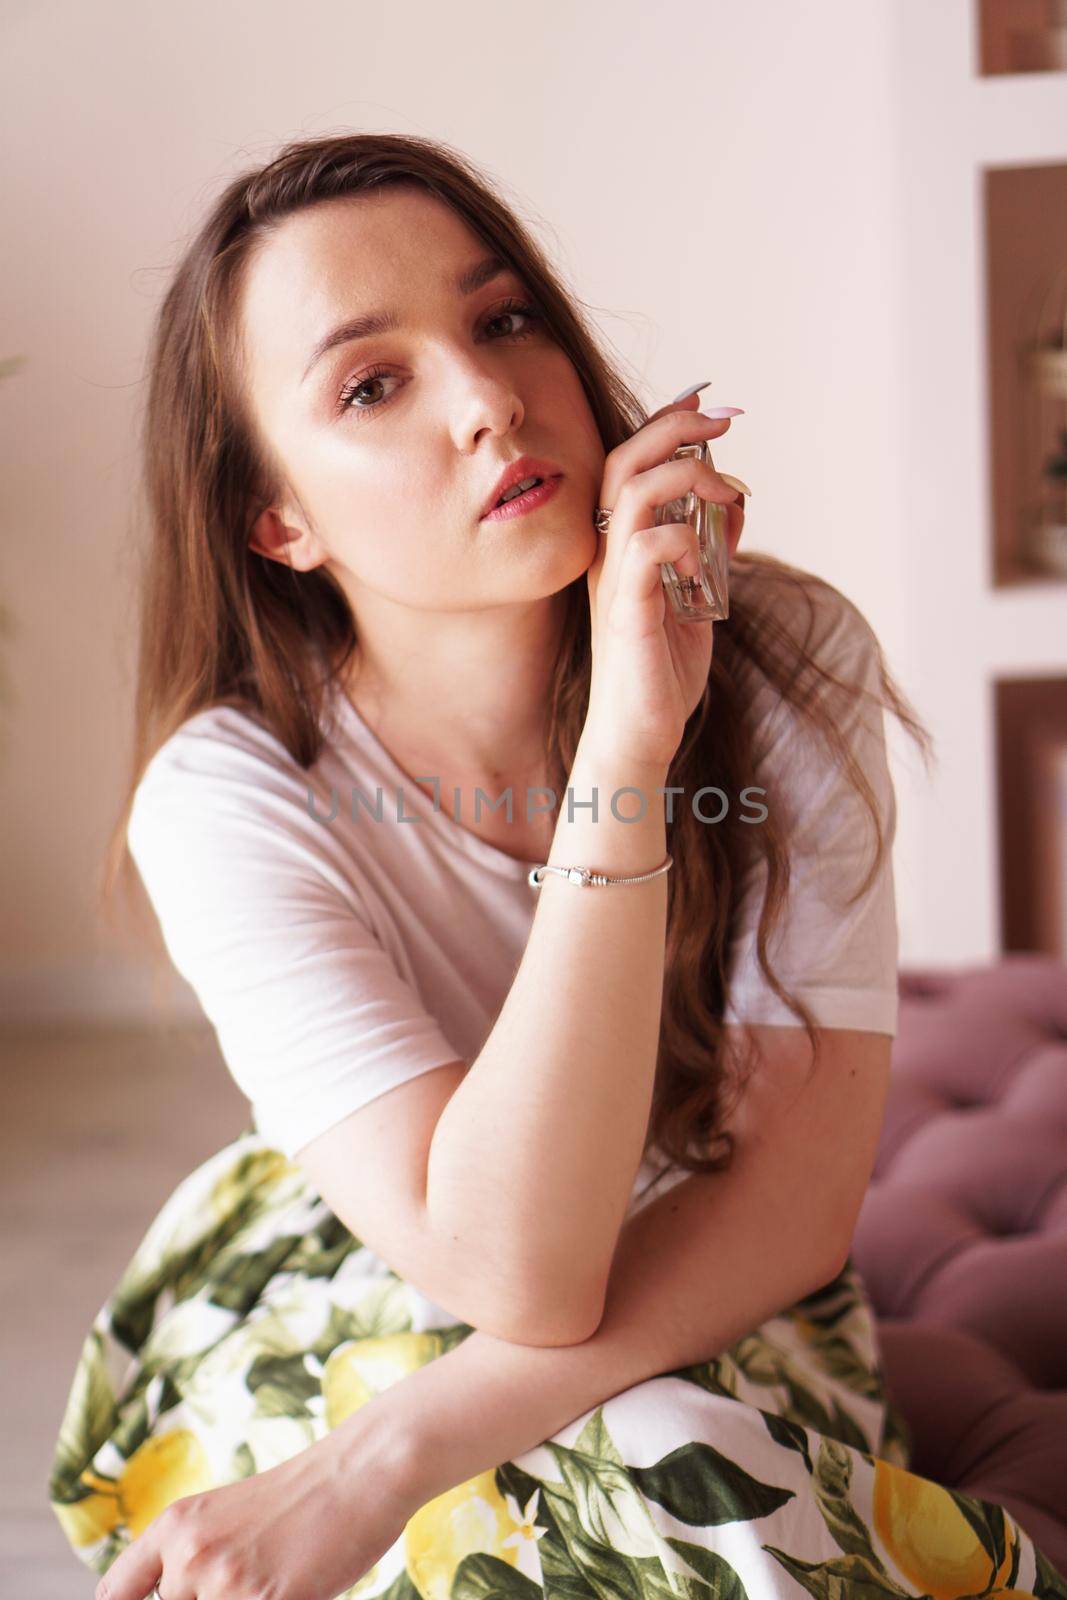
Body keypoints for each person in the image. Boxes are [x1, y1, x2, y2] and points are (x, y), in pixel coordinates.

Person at [48, 131, 1066, 1600]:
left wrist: (382, 1461)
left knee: (663, 1460)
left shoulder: (784, 668)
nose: (487, 400)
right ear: (278, 521)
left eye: (502, 318)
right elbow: (512, 1266)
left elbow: (789, 1207)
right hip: (370, 1252)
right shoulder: (228, 797)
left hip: (721, 1275)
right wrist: (621, 769)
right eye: (371, 384)